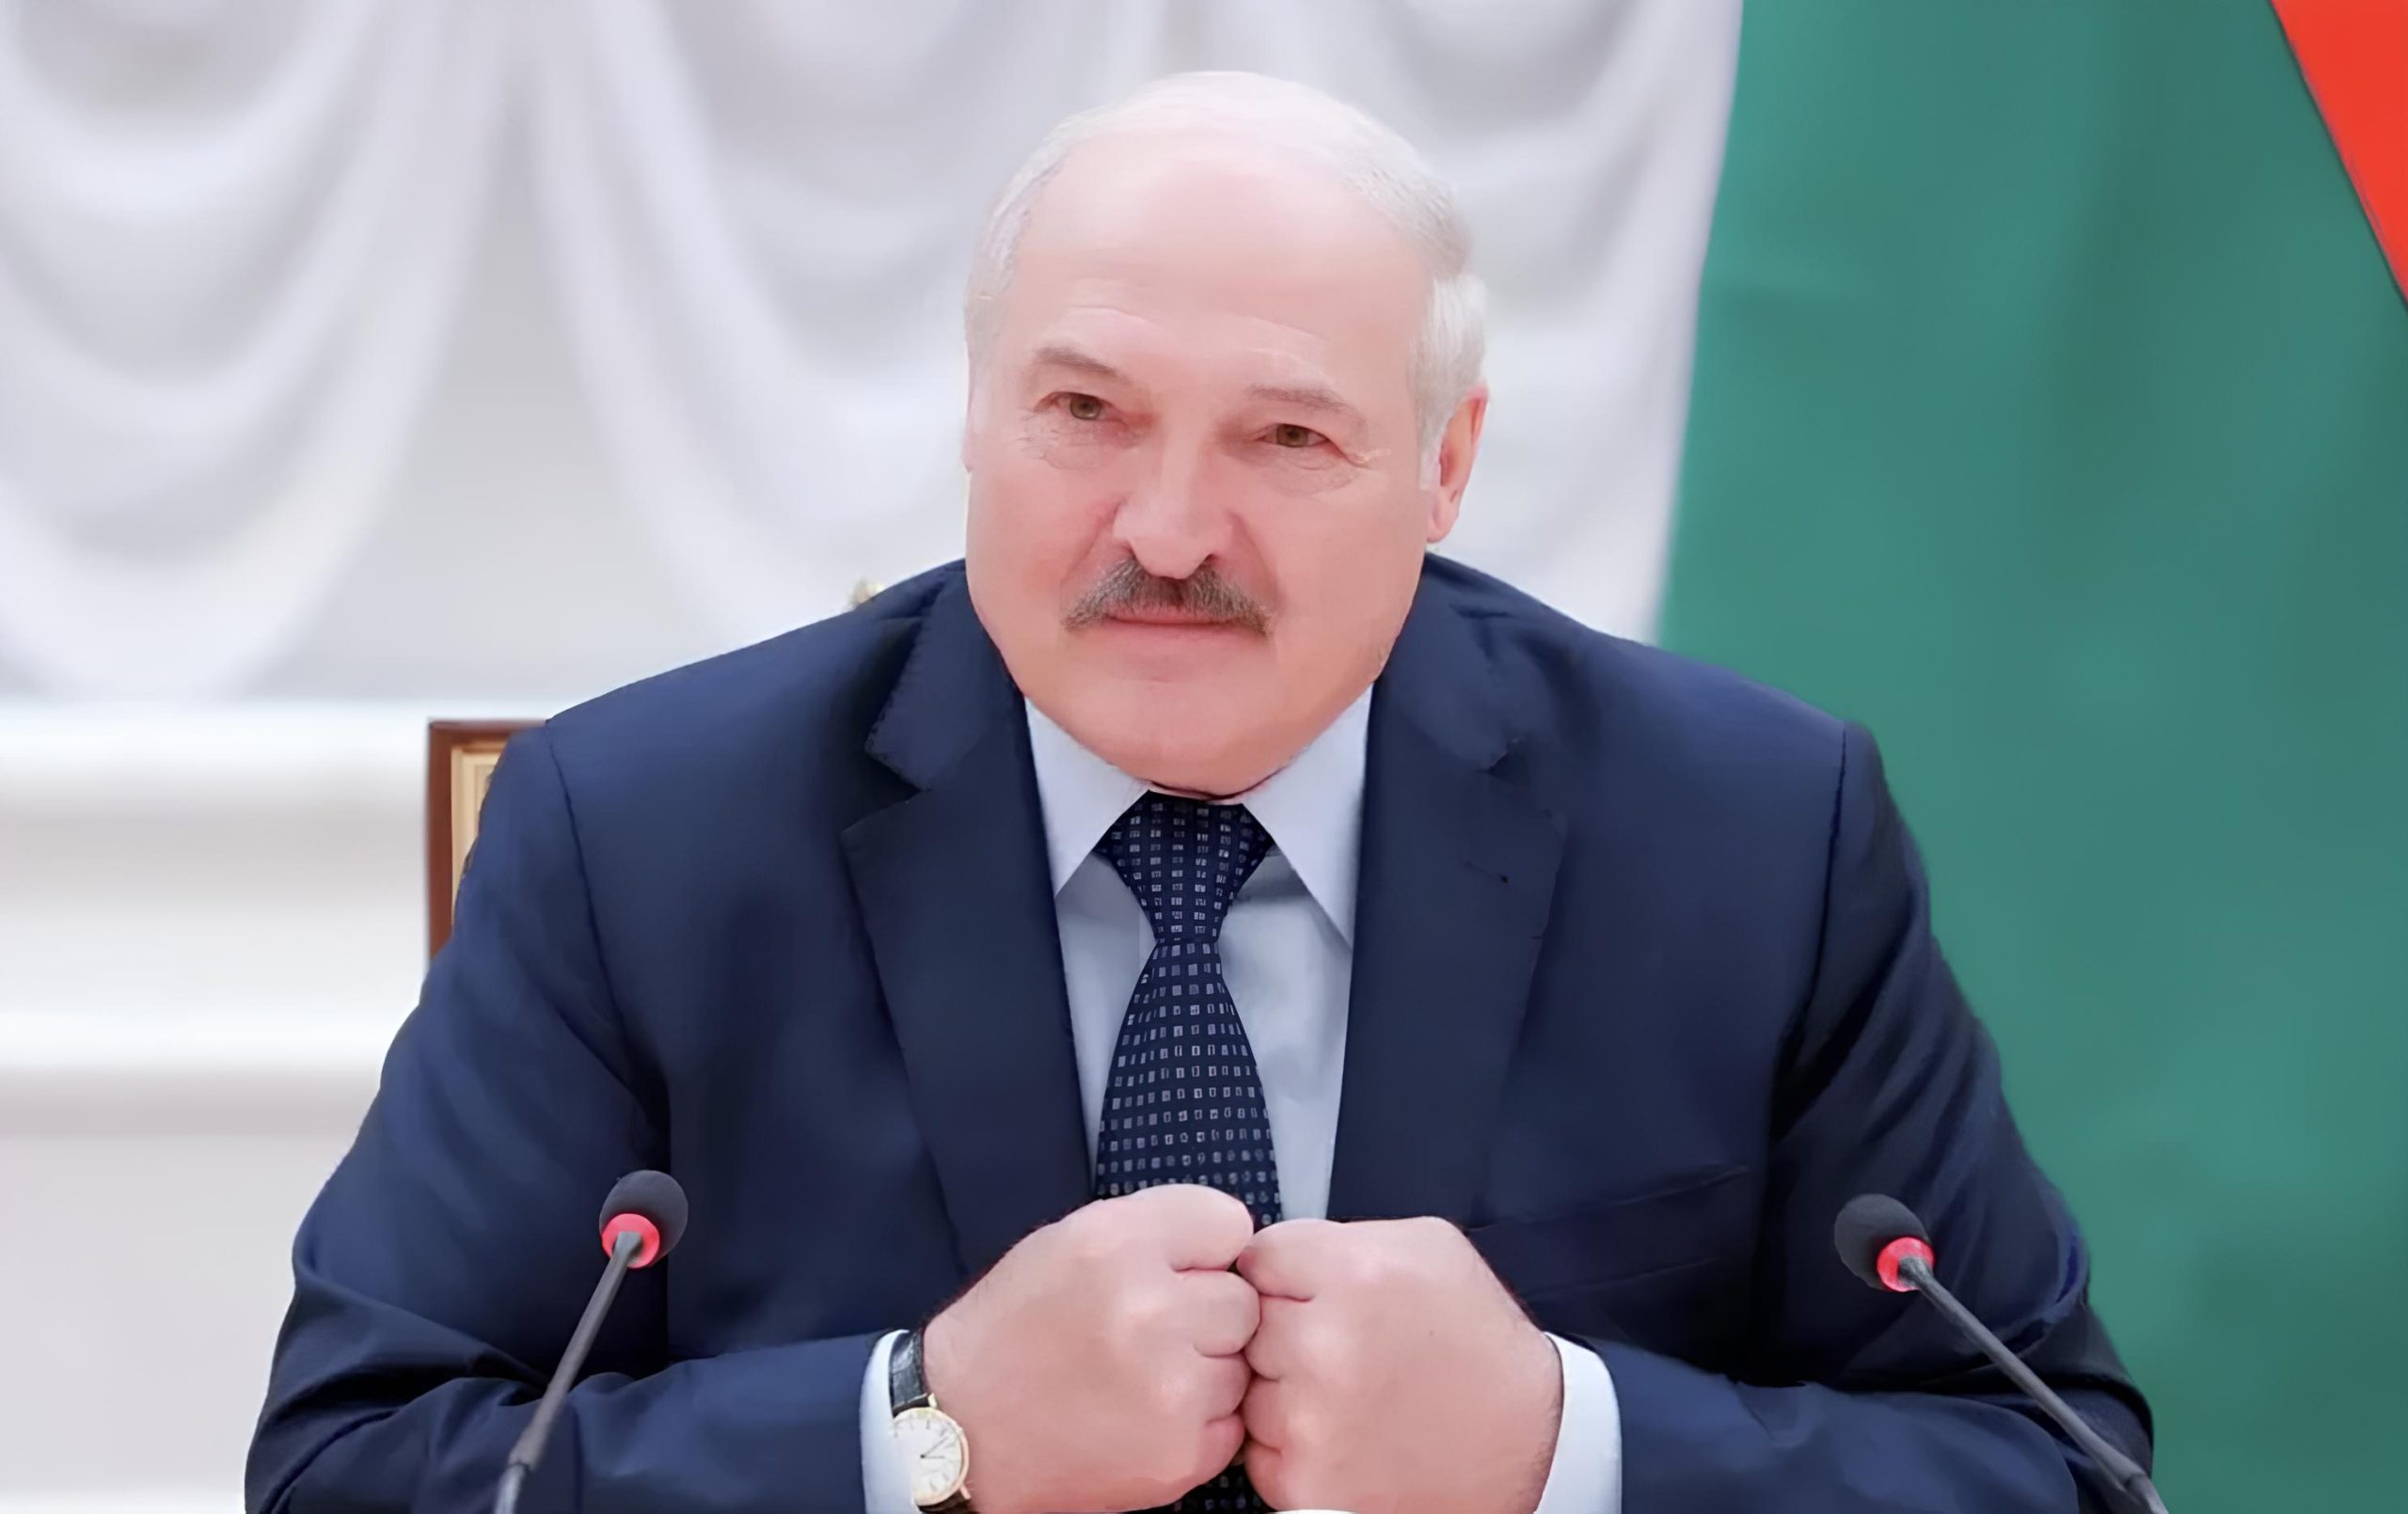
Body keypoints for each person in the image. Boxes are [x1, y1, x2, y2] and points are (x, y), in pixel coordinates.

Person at [247, 71, 2150, 1514]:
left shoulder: (1751, 836)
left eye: (1286, 435)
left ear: (1446, 465)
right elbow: (357, 1466)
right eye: (1085, 413)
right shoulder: (635, 834)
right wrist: (912, 1429)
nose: (1165, 530)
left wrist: (1564, 1446)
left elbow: (2053, 1466)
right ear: (975, 411)